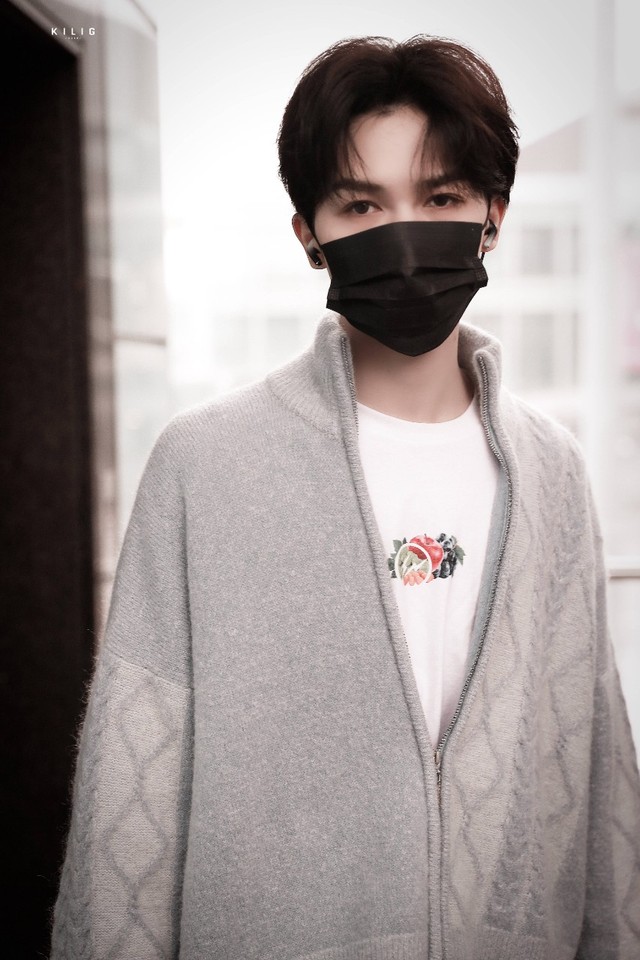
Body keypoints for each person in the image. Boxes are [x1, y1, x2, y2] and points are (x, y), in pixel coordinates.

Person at [51, 35, 640, 960]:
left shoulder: (553, 471)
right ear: (309, 234)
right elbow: (132, 800)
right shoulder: (205, 465)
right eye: (363, 204)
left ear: (493, 215)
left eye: (440, 198)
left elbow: (597, 777)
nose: (404, 237)